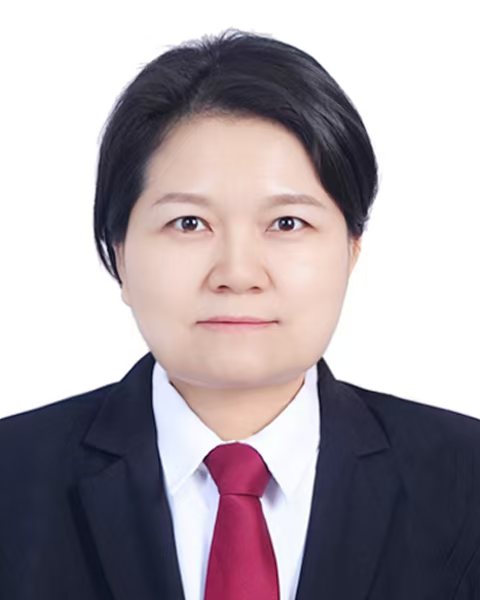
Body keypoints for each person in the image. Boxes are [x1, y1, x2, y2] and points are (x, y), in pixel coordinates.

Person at [1, 28, 479, 600]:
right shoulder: (12, 478)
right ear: (120, 253)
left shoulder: (465, 479)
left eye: (287, 223)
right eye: (188, 223)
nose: (237, 272)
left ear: (352, 248)